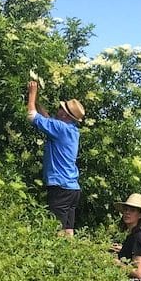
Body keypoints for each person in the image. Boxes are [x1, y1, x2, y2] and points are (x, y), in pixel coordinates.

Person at [26, 80, 85, 236]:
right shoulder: (72, 130)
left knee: (55, 231)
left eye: (61, 108)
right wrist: (36, 101)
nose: (58, 110)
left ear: (65, 114)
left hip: (60, 187)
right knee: (68, 232)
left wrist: (31, 95)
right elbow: (47, 119)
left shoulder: (59, 128)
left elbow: (32, 117)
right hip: (72, 189)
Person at [110, 193, 141, 281]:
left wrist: (116, 263)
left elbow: (139, 273)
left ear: (140, 215)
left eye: (132, 210)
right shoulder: (134, 234)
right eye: (126, 209)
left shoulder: (139, 237)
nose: (127, 213)